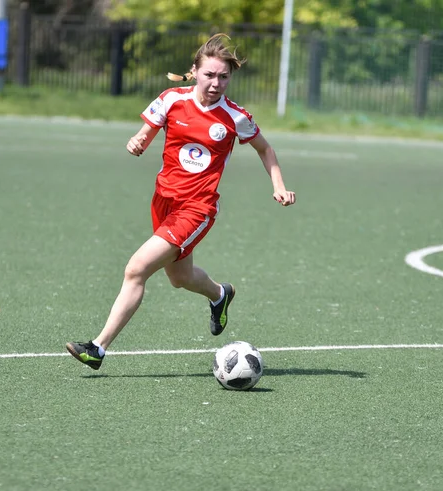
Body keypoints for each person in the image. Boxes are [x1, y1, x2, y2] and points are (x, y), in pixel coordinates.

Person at [66, 33, 296, 370]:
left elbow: (265, 148)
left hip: (197, 209)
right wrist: (138, 141)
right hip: (163, 201)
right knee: (179, 277)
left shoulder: (235, 116)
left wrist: (279, 185)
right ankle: (220, 295)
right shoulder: (172, 99)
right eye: (209, 74)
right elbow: (145, 133)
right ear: (195, 71)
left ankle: (97, 349)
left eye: (224, 76)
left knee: (136, 269)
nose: (216, 83)